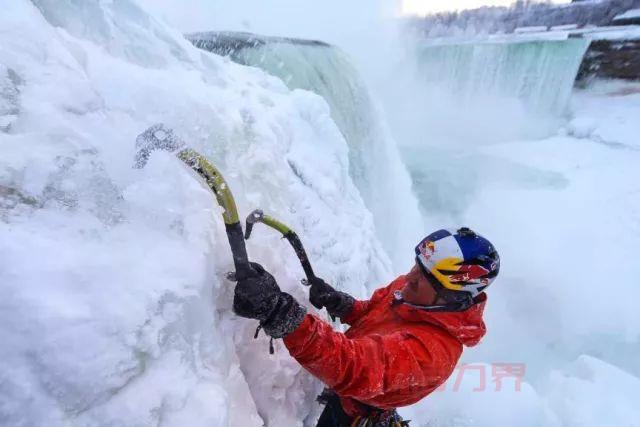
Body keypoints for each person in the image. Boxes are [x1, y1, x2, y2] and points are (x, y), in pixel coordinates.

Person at [233, 227, 500, 427]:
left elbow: (353, 366)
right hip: (354, 396)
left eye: (424, 277)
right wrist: (342, 304)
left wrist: (282, 314)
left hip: (355, 413)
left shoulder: (432, 354)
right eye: (417, 266)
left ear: (452, 296)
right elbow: (374, 312)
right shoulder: (414, 292)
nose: (409, 277)